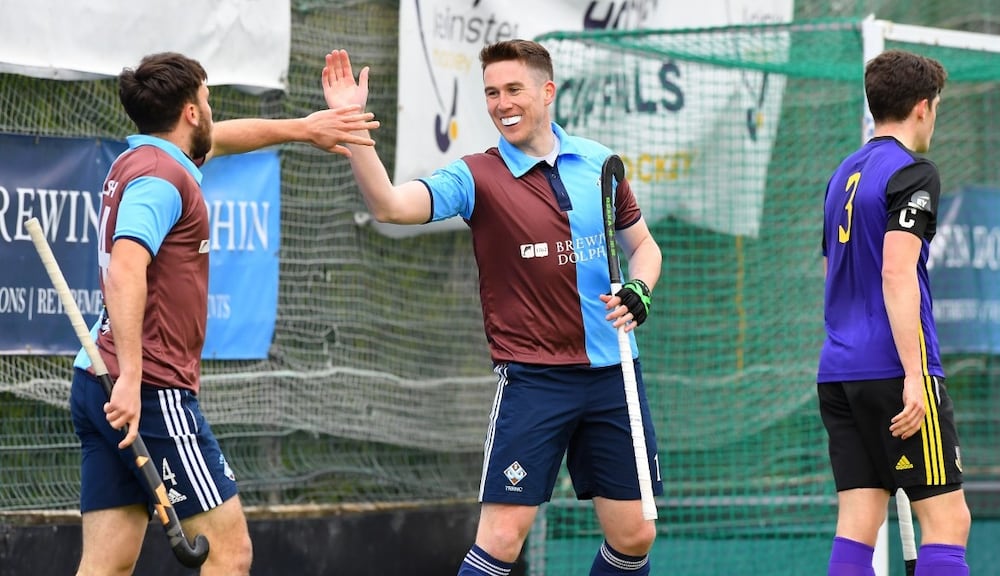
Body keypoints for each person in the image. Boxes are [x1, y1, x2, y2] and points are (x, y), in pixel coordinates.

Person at [321, 40, 663, 575]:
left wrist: (639, 289)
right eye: (490, 93)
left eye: (513, 90)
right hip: (534, 379)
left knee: (636, 534)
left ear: (546, 92)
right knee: (503, 536)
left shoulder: (601, 164)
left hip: (614, 373)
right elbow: (389, 205)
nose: (501, 103)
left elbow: (643, 247)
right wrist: (353, 128)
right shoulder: (476, 176)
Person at [70, 51, 380, 576]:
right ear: (191, 111)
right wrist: (132, 378)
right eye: (208, 101)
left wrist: (304, 129)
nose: (213, 112)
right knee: (229, 555)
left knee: (107, 565)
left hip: (97, 379)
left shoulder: (143, 159)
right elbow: (126, 269)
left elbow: (224, 136)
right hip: (147, 391)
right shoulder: (161, 179)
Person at [818, 49, 971, 576]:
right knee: (949, 521)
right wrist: (913, 375)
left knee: (858, 521)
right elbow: (896, 272)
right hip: (895, 371)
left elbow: (831, 273)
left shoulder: (842, 174)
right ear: (924, 108)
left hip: (839, 373)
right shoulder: (913, 172)